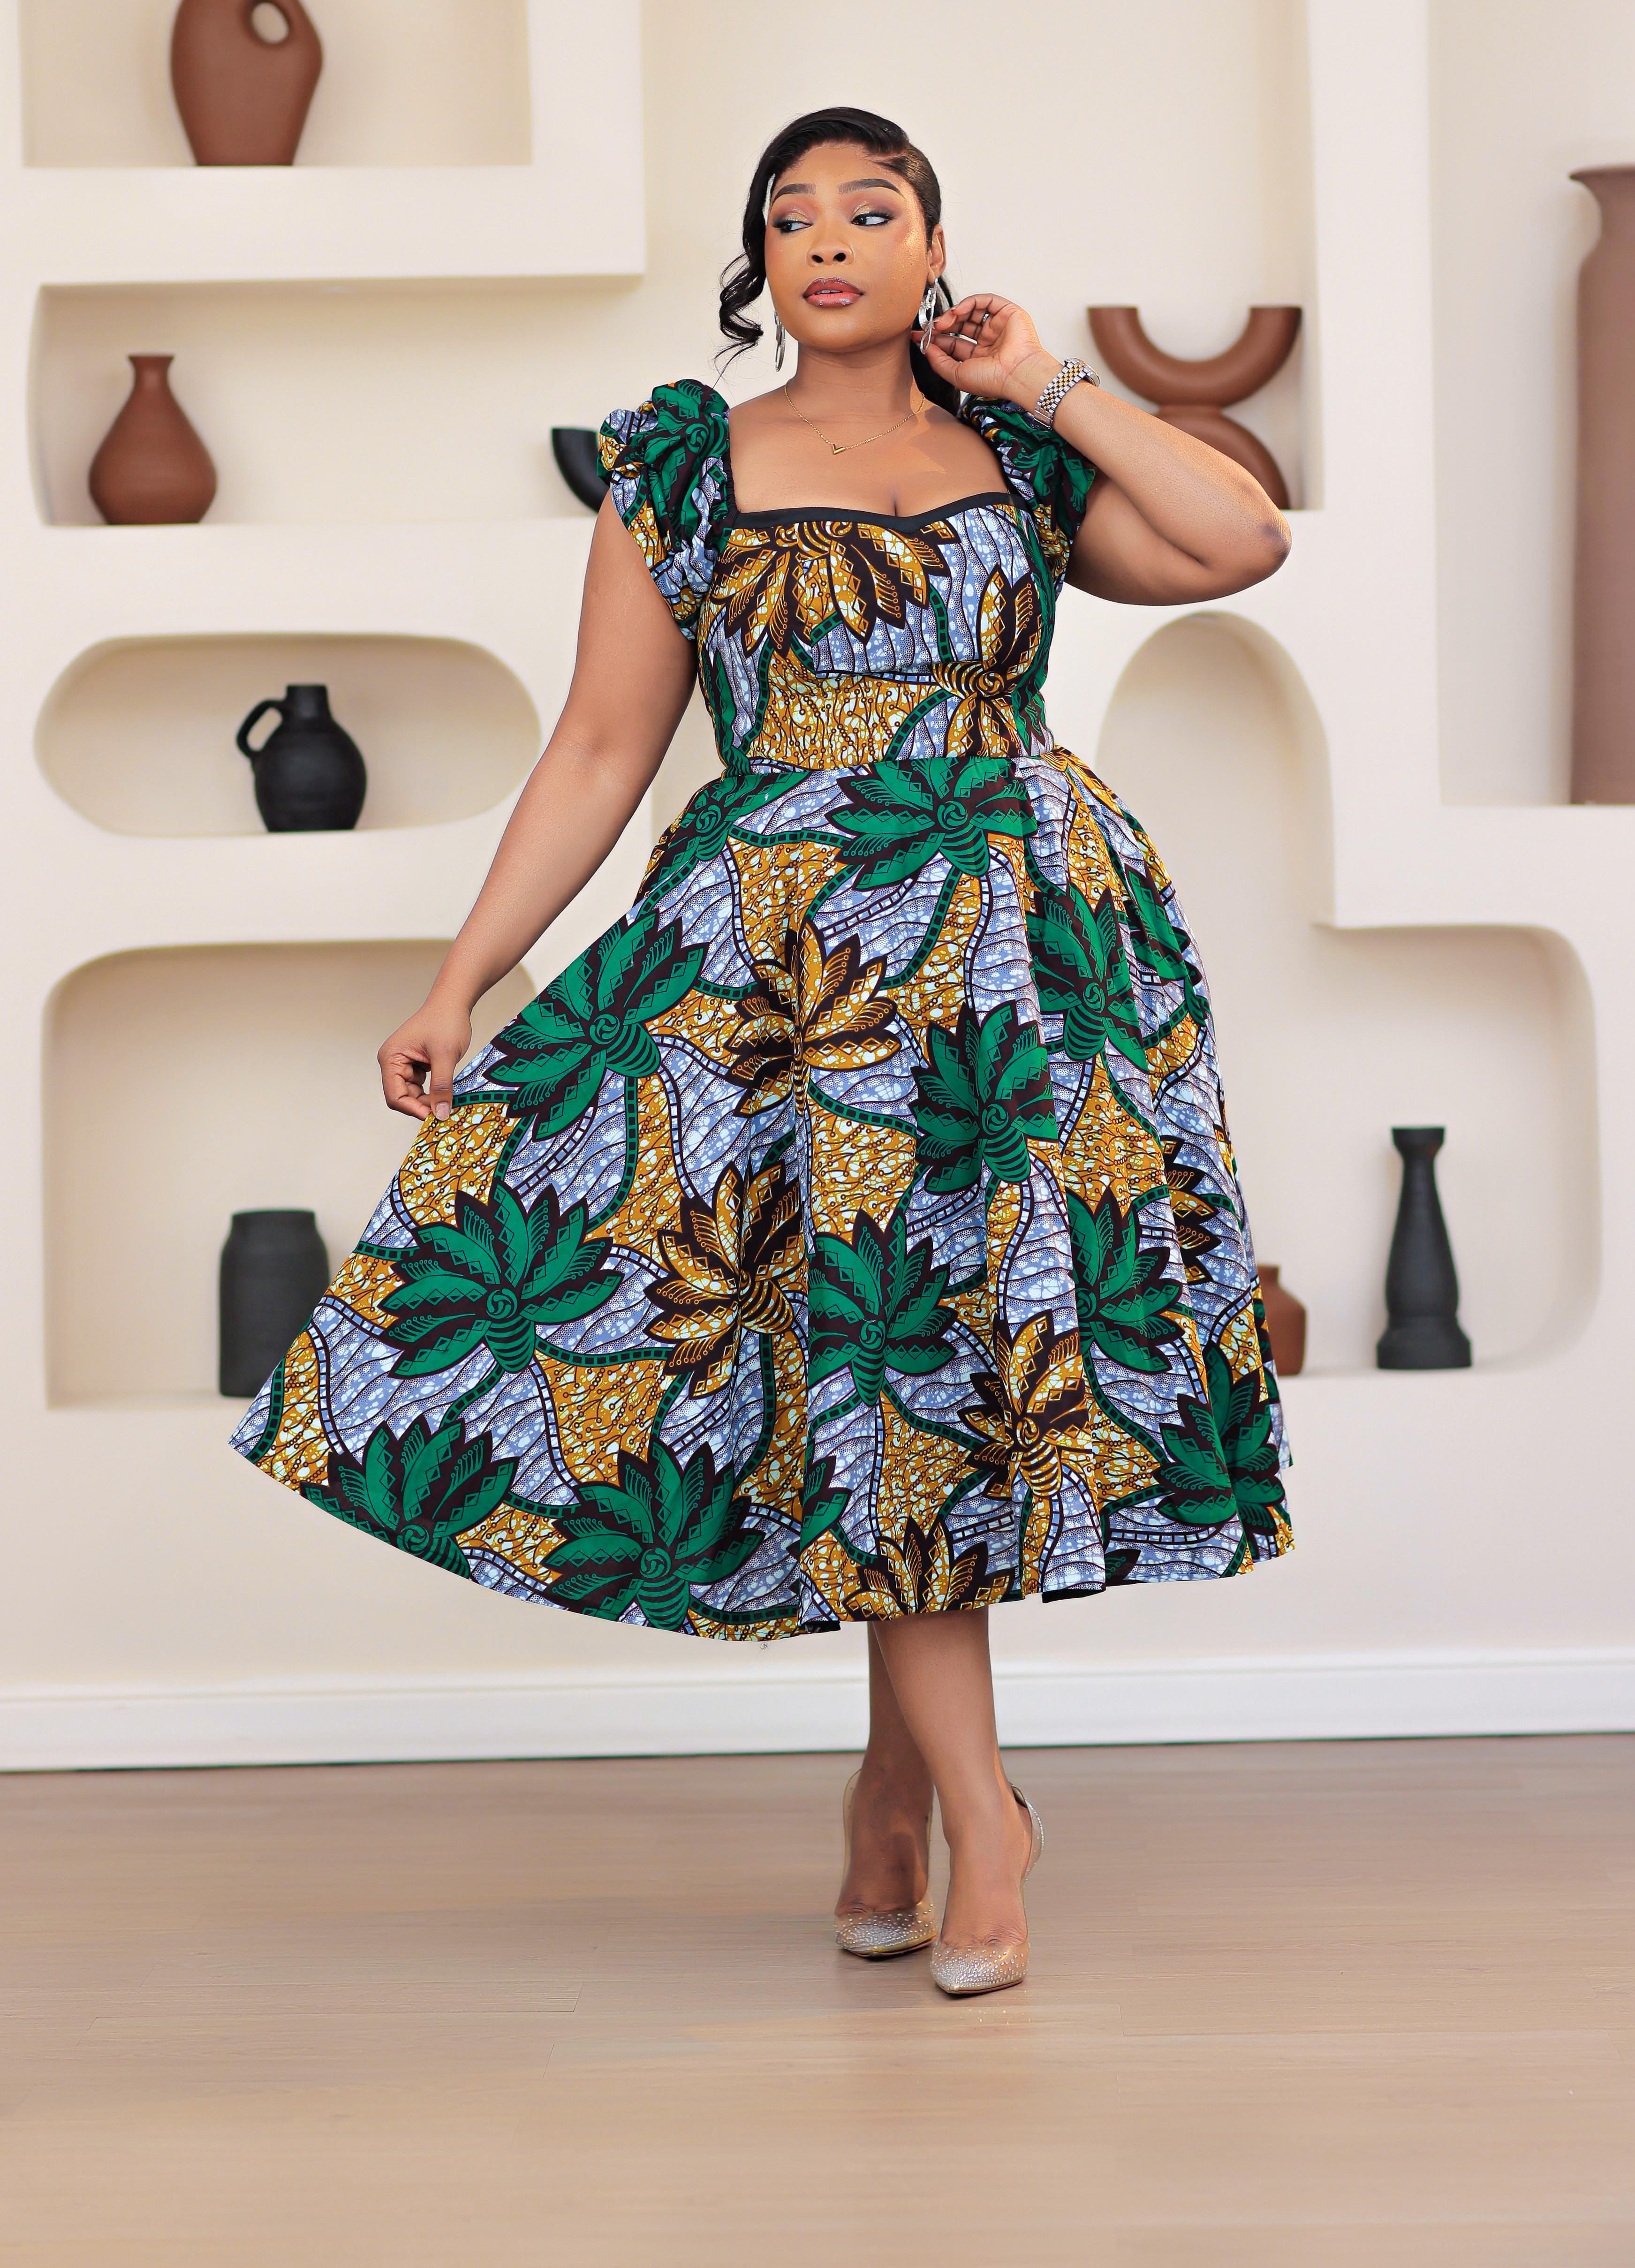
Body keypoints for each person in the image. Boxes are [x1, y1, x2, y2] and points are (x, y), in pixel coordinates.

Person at [231, 106, 1295, 1997]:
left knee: (957, 1386)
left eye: (868, 210)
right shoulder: (684, 468)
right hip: (785, 990)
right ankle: (986, 1832)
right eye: (787, 216)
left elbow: (1238, 533)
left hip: (1019, 980)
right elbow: (595, 749)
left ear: (929, 244)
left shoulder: (1022, 459)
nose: (827, 239)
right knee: (874, 1383)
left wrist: (1045, 376)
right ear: (758, 264)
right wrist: (461, 978)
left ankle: (896, 1808)